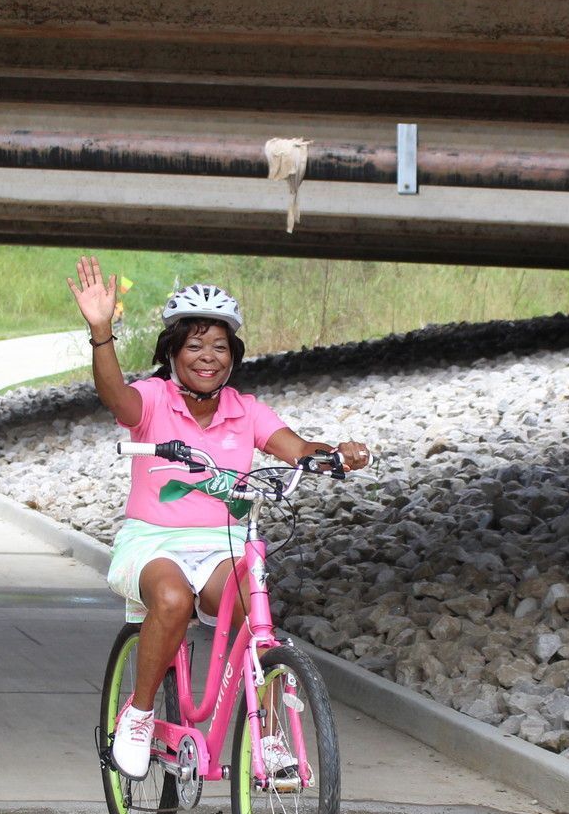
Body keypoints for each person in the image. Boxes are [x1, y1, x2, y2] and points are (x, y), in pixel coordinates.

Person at [68, 256, 373, 780]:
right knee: (171, 598)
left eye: (220, 346)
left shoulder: (246, 409)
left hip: (221, 544)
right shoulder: (152, 399)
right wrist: (102, 333)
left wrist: (334, 454)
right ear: (172, 352)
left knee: (256, 616)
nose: (208, 357)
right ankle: (139, 716)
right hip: (152, 542)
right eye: (194, 345)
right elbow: (114, 395)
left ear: (233, 355)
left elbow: (295, 447)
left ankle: (270, 736)